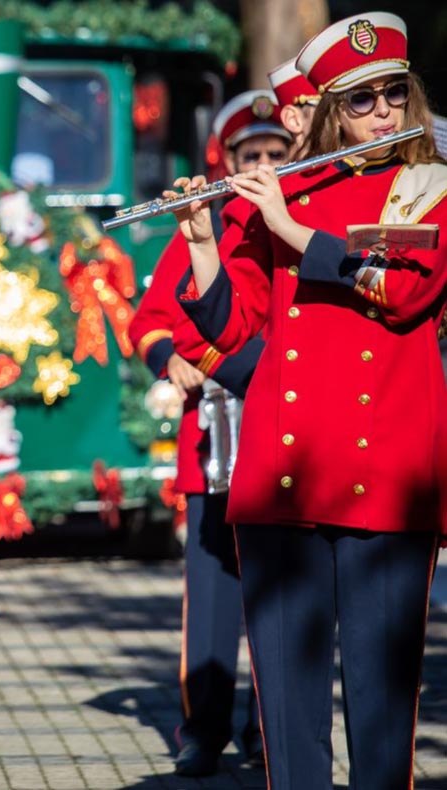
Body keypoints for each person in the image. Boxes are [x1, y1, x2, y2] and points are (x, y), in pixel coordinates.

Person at [172, 12, 447, 788]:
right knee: (288, 719)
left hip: (387, 475)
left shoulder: (427, 187)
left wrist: (290, 229)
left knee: (382, 702)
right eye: (361, 101)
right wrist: (201, 241)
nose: (384, 113)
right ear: (328, 111)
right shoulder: (287, 189)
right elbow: (231, 325)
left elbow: (401, 290)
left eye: (395, 93)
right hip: (282, 475)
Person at [130, 88, 296, 776]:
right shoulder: (210, 223)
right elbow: (150, 320)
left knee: (282, 593)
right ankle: (204, 729)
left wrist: (215, 360)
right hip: (215, 446)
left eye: (273, 154)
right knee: (213, 599)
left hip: (286, 437)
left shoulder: (299, 220)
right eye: (248, 154)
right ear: (226, 157)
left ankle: (270, 726)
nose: (260, 163)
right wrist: (173, 357)